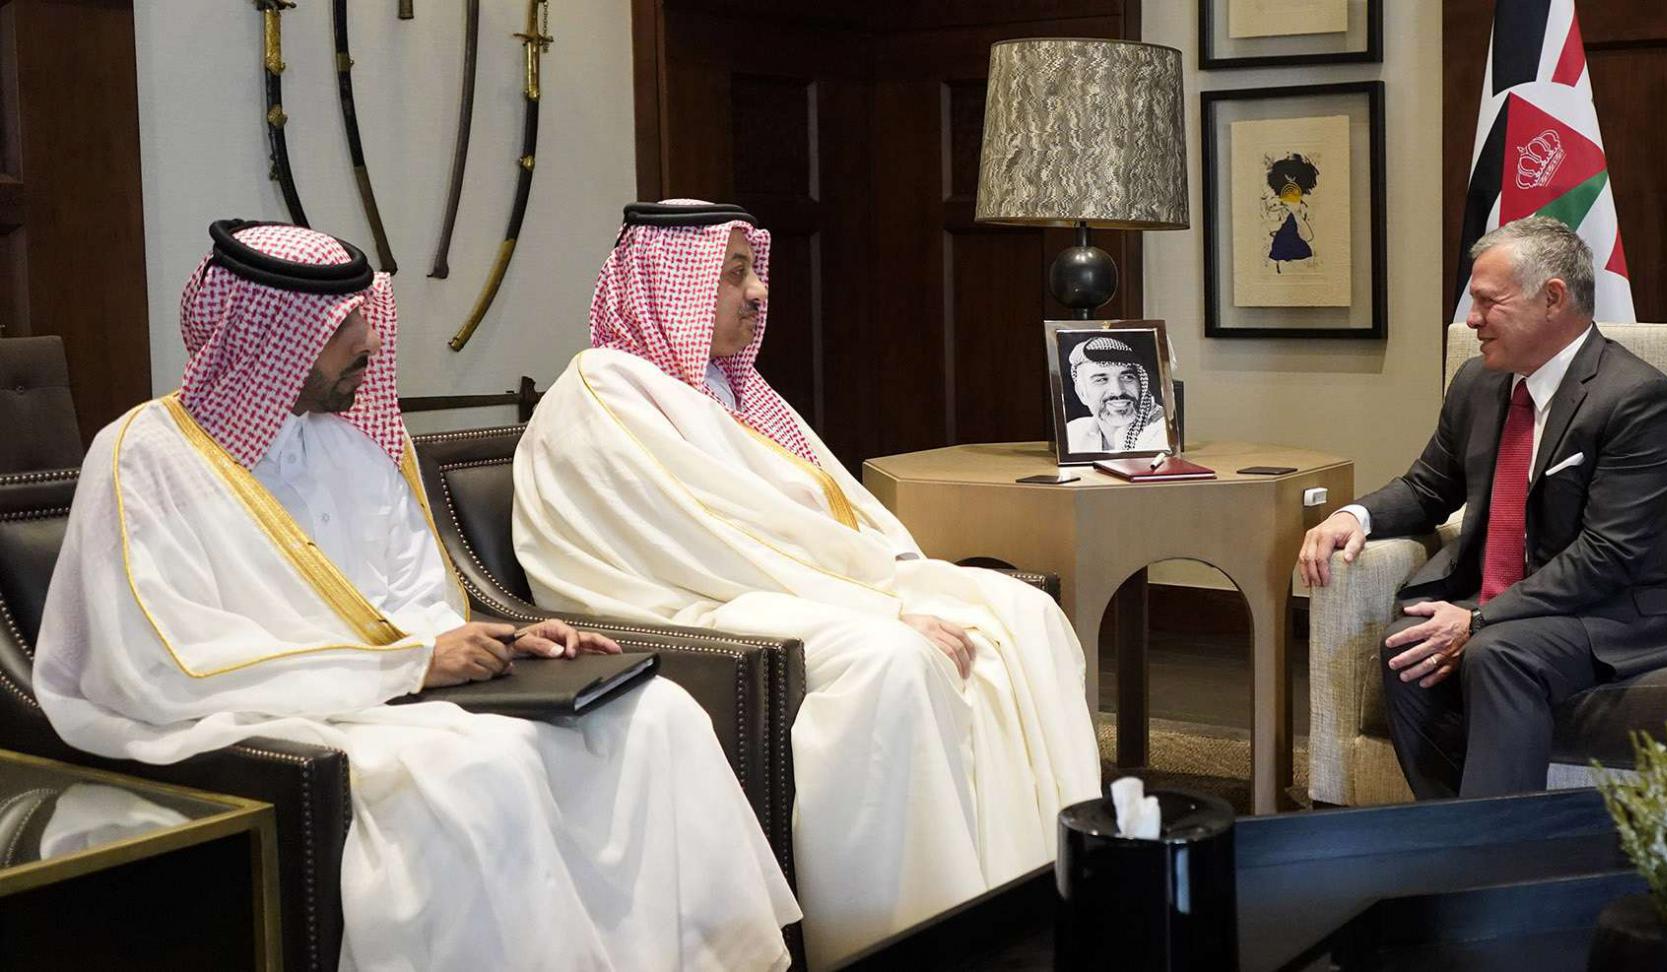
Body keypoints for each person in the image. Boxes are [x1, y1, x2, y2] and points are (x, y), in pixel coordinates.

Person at [31, 221, 800, 970]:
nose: (370, 342)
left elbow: (410, 595)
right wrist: (411, 666)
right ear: (273, 336)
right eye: (345, 324)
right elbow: (166, 662)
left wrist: (500, 645)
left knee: (656, 715)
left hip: (385, 691)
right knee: (480, 770)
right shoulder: (144, 456)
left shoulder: (346, 447)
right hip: (256, 715)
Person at [513, 200, 1102, 968]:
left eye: (755, 270)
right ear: (669, 284)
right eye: (735, 274)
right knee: (895, 659)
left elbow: (829, 512)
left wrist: (899, 577)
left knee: (1027, 615)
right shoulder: (605, 388)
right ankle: (907, 942)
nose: (759, 292)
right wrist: (884, 605)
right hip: (690, 605)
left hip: (790, 584)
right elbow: (706, 543)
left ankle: (1046, 902)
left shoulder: (729, 389)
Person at [1296, 214, 1667, 800]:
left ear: (1553, 299)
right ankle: (1459, 837)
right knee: (1407, 649)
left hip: (1620, 609)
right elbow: (1428, 487)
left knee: (1498, 654)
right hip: (1523, 600)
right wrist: (1354, 517)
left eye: (1487, 302)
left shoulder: (1635, 398)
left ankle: (1495, 869)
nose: (1470, 319)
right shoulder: (1478, 382)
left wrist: (1476, 619)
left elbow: (1610, 554)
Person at [1062, 335, 1169, 453]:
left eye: (1127, 377)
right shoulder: (1072, 433)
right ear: (1081, 393)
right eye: (1101, 380)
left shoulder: (1162, 431)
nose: (1118, 391)